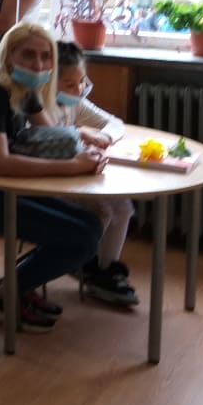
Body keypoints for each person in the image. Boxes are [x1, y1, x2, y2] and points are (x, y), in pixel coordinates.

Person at [0, 22, 105, 332]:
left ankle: (16, 285)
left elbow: (50, 132)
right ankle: (6, 296)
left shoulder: (23, 88)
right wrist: (75, 166)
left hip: (4, 186)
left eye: (46, 56)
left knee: (91, 225)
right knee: (81, 238)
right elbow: (1, 163)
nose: (39, 64)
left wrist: (80, 136)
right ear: (8, 56)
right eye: (28, 55)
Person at [54, 41, 138, 305]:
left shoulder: (75, 103)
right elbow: (44, 140)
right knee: (102, 210)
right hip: (51, 182)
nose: (79, 90)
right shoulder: (40, 109)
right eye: (70, 84)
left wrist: (103, 137)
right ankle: (85, 263)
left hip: (76, 178)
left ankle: (105, 268)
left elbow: (114, 123)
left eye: (82, 82)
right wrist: (79, 136)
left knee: (123, 206)